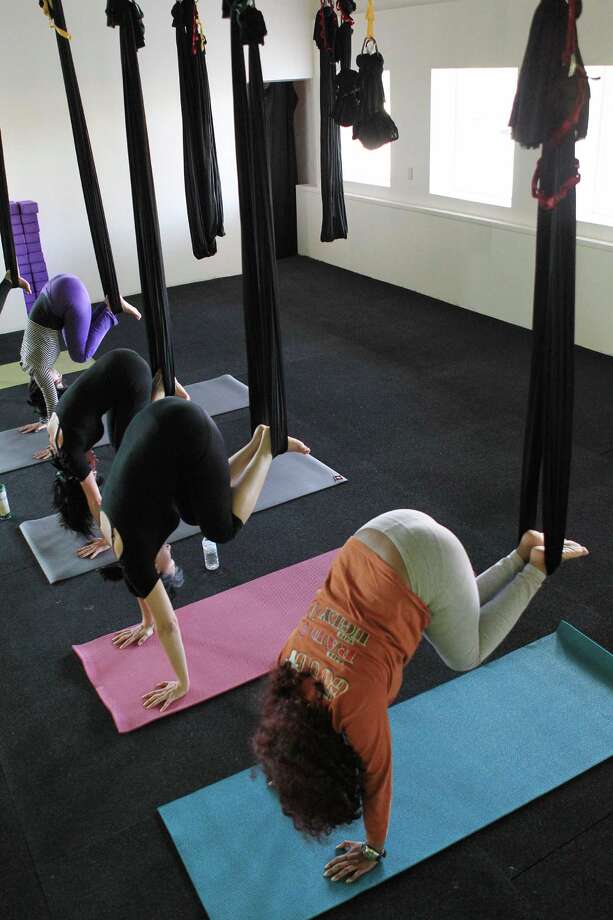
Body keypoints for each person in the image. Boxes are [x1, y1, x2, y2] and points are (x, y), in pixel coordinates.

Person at [253, 509, 589, 884]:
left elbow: (377, 776)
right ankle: (522, 552)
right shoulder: (288, 668)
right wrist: (286, 769)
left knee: (465, 655)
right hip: (379, 532)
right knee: (447, 619)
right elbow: (280, 731)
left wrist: (372, 849)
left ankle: (537, 567)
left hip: (427, 556)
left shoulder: (354, 704)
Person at [98, 400, 310, 713]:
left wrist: (182, 682)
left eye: (170, 568)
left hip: (185, 428)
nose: (172, 556)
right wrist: (146, 622)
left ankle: (267, 450)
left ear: (154, 572)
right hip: (161, 418)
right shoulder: (121, 536)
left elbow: (168, 623)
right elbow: (140, 581)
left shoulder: (139, 556)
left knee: (220, 529)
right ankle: (257, 443)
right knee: (195, 509)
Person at [40, 349, 186, 544]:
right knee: (122, 447)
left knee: (132, 452)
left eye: (92, 470)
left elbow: (96, 501)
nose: (95, 464)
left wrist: (109, 539)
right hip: (119, 364)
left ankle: (162, 393)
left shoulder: (71, 454)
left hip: (130, 373)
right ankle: (157, 390)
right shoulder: (59, 442)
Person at [18, 273, 141, 433]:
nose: (60, 377)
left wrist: (53, 437)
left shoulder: (41, 371)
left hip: (67, 295)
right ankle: (108, 305)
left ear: (45, 384)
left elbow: (52, 404)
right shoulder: (26, 361)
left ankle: (112, 308)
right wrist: (44, 419)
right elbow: (46, 397)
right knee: (78, 343)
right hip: (59, 286)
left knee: (80, 356)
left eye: (58, 383)